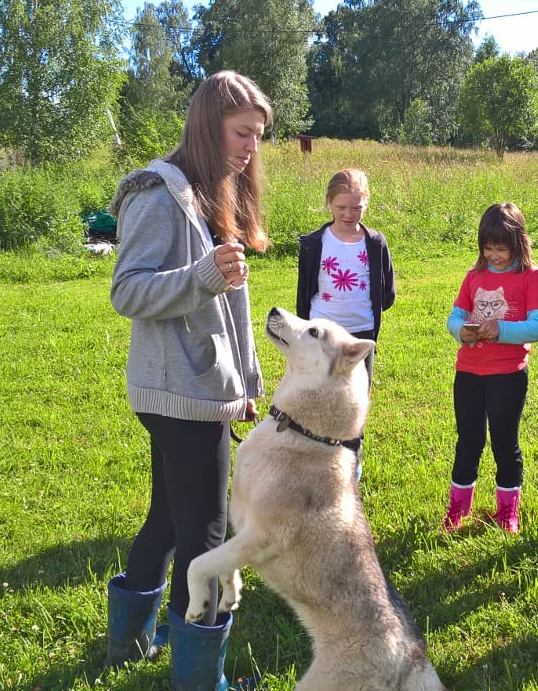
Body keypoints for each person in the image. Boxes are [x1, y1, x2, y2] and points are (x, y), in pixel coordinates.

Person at [104, 70, 270, 691]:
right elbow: (127, 290)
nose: (251, 146)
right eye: (241, 132)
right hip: (180, 394)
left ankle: (129, 643)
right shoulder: (161, 192)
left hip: (202, 390)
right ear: (208, 125)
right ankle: (200, 681)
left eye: (257, 135)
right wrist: (198, 276)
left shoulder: (212, 191)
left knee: (171, 519)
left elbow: (232, 306)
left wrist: (246, 379)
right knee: (207, 533)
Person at [442, 202, 538, 534]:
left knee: (505, 443)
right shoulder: (473, 277)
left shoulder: (530, 278)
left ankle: (508, 513)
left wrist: (500, 330)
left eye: (501, 248)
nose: (494, 255)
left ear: (519, 243)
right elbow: (456, 315)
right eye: (488, 248)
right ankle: (457, 510)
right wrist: (460, 329)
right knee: (468, 441)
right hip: (469, 373)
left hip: (508, 375)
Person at [296, 168, 396, 458]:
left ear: (366, 204)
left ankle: (350, 465)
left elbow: (387, 292)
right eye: (341, 207)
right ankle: (315, 457)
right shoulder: (315, 243)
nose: (349, 214)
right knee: (319, 398)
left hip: (361, 335)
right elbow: (305, 291)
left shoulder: (376, 244)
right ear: (329, 203)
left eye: (356, 208)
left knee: (353, 403)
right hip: (323, 333)